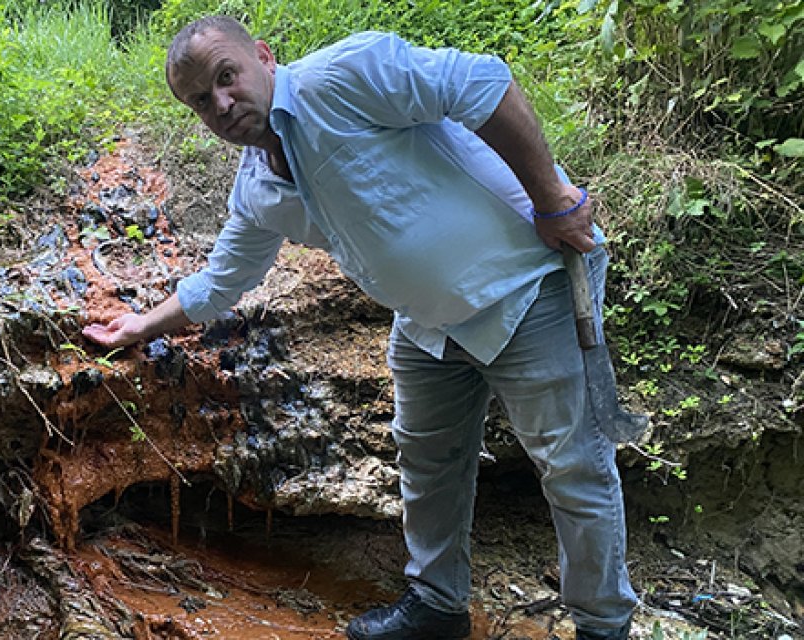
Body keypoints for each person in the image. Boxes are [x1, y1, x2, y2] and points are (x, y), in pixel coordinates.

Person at [81, 16, 637, 640]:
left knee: (572, 467)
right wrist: (138, 326)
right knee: (427, 461)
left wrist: (552, 199)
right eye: (201, 101)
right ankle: (437, 607)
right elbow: (222, 281)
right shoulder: (259, 187)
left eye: (226, 77)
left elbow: (484, 84)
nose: (221, 104)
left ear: (263, 56)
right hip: (428, 324)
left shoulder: (345, 75)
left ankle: (602, 626)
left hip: (525, 289)